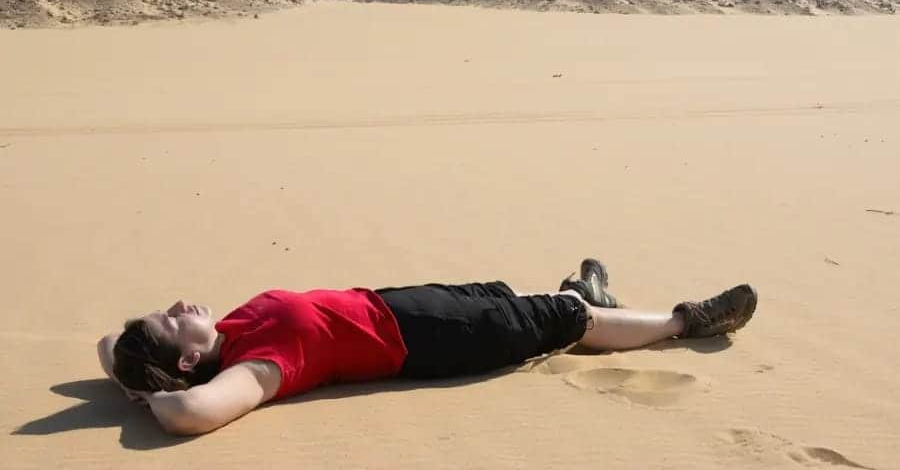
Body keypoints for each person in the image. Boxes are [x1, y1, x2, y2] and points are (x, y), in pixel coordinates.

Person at [97, 259, 757, 435]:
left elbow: (109, 346)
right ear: (188, 362)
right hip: (429, 341)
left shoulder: (232, 330)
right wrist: (151, 392)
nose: (180, 305)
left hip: (399, 305)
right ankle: (684, 321)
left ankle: (586, 301)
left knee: (510, 293)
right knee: (563, 320)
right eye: (170, 319)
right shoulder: (257, 368)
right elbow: (189, 413)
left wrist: (133, 371)